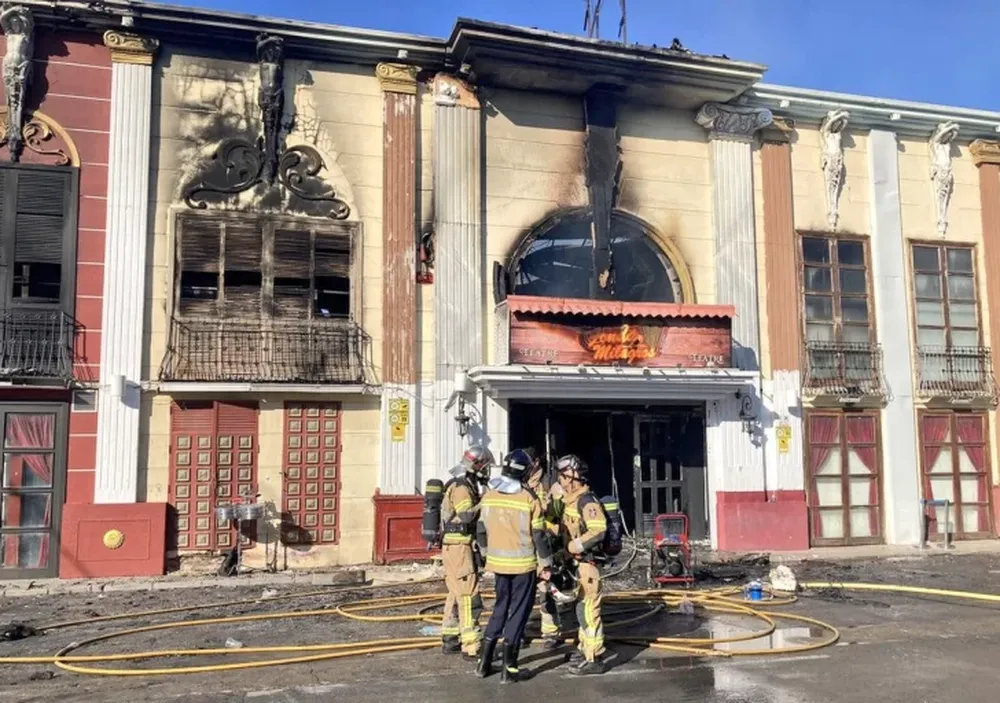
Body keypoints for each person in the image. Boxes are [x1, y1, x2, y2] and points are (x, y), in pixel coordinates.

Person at [476, 448, 553, 683]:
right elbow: (539, 535)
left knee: (500, 608)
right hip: (523, 566)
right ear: (525, 472)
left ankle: (484, 663)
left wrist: (487, 554)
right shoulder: (529, 498)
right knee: (519, 613)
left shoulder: (489, 495)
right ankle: (509, 670)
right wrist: (546, 564)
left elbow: (480, 529)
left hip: (498, 565)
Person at [554, 454, 608, 676]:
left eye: (562, 475)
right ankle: (585, 648)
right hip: (576, 565)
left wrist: (573, 547)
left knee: (588, 610)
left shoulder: (587, 501)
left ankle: (594, 657)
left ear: (572, 476)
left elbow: (598, 530)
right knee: (580, 609)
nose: (559, 479)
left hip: (587, 565)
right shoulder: (570, 500)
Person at [439, 445, 493, 659]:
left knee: (455, 592)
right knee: (468, 594)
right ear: (477, 465)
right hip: (460, 547)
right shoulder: (462, 487)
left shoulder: (461, 482)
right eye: (485, 466)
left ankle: (450, 637)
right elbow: (466, 516)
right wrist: (485, 501)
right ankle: (471, 646)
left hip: (454, 546)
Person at [524, 448, 563, 650]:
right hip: (522, 545)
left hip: (544, 543)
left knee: (546, 590)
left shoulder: (550, 484)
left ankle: (550, 633)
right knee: (521, 591)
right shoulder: (518, 485)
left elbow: (558, 512)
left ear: (537, 462)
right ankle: (518, 630)